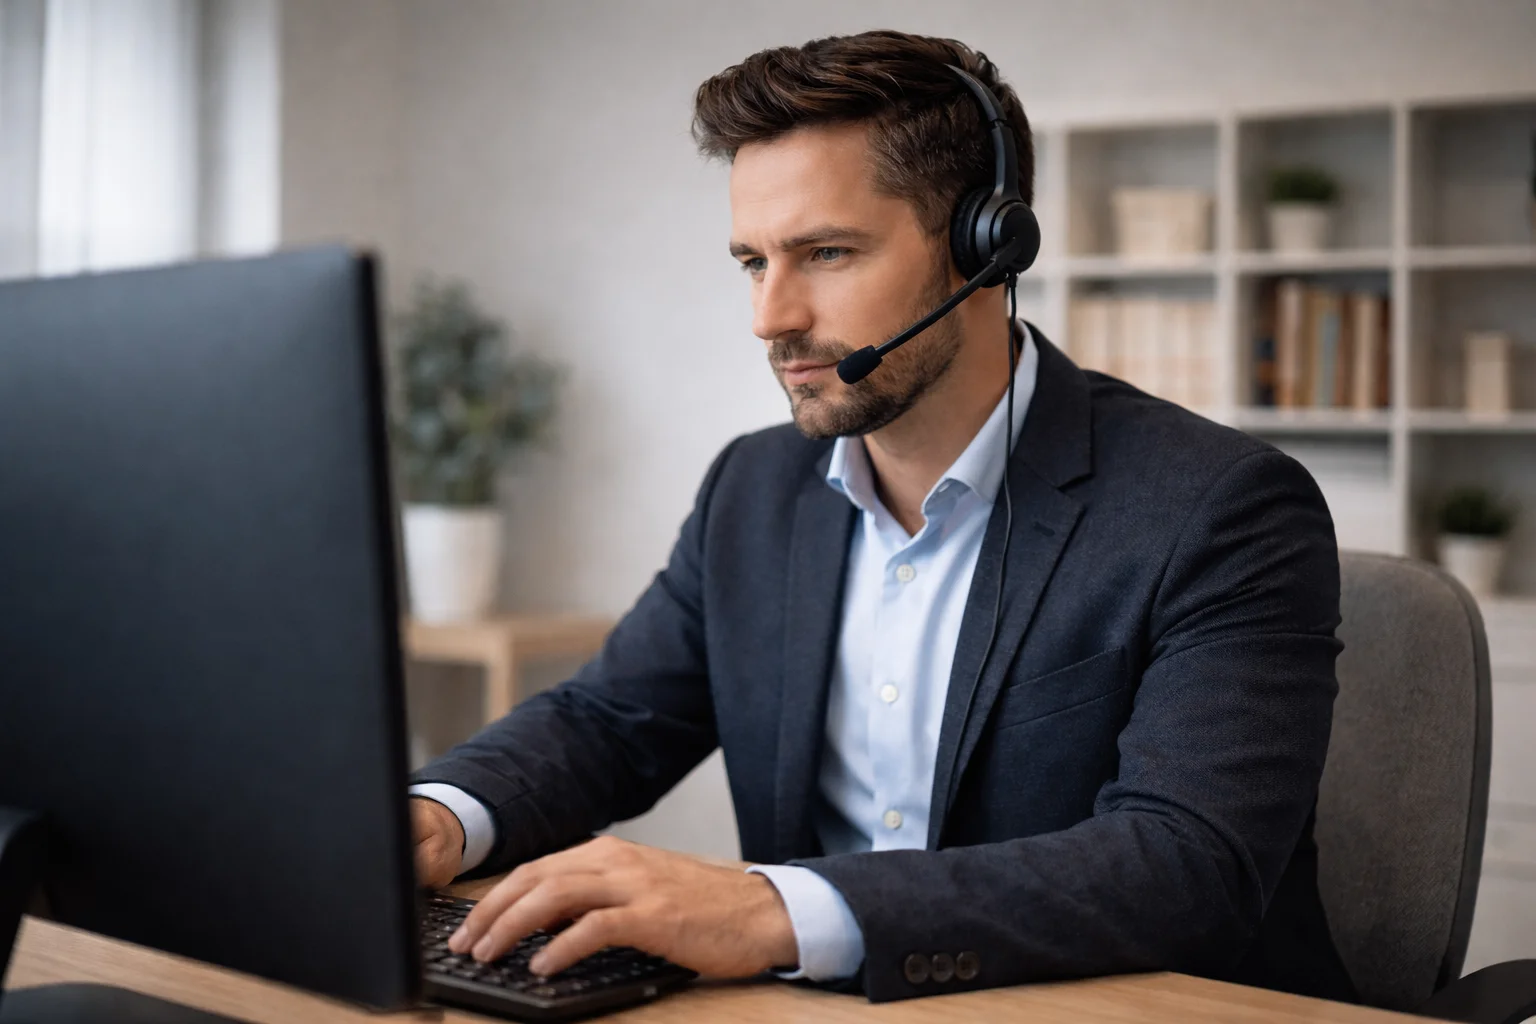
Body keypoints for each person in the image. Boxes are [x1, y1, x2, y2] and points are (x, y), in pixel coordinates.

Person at [406, 29, 1357, 1004]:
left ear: (983, 247)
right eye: (751, 261)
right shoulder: (755, 490)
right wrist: (439, 816)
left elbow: (1187, 859)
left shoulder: (1220, 506)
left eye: (824, 252)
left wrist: (770, 909)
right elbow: (608, 719)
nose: (769, 317)